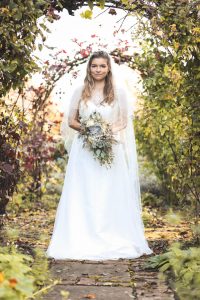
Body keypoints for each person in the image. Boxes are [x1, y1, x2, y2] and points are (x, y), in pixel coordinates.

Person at [46, 50, 152, 260]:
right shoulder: (80, 91)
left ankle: (113, 234)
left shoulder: (118, 92)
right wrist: (90, 130)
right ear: (89, 68)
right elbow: (71, 121)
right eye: (94, 66)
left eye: (102, 66)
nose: (98, 70)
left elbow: (122, 121)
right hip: (84, 149)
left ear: (108, 68)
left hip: (111, 147)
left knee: (108, 190)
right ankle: (80, 236)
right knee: (84, 190)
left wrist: (105, 131)